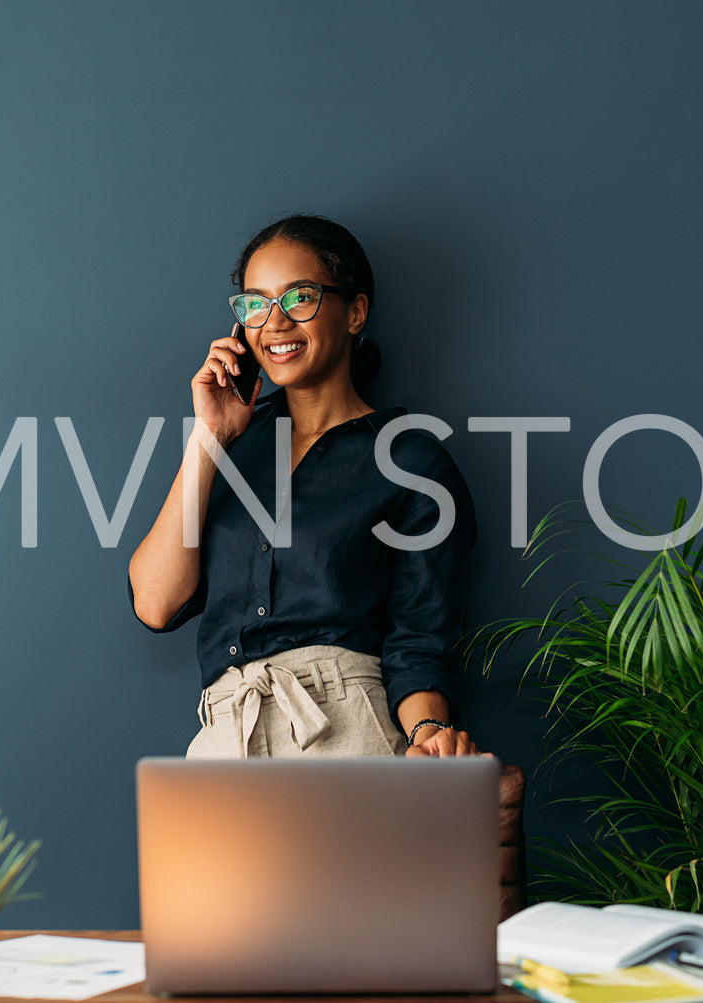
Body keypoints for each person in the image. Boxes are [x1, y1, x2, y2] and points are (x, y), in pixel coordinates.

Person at [128, 214, 484, 758]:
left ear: (355, 312)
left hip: (347, 727)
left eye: (298, 298)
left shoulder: (412, 460)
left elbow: (420, 642)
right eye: (255, 304)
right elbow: (155, 603)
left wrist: (426, 734)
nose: (273, 323)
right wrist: (209, 434)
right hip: (228, 733)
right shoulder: (230, 448)